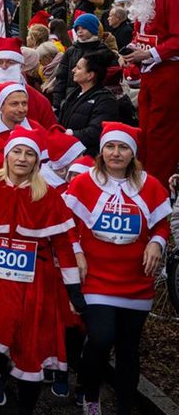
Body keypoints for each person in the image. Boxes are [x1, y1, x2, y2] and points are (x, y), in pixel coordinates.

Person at [0, 127, 80, 412]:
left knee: (30, 341)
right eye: (17, 151)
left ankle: (26, 406)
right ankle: (0, 372)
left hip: (35, 280)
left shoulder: (48, 195)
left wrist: (73, 289)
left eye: (29, 154)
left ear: (37, 162)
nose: (22, 158)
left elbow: (64, 245)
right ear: (6, 155)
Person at [62, 123, 170, 415]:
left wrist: (157, 242)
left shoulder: (150, 185)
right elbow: (66, 225)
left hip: (136, 281)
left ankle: (124, 405)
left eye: (123, 147)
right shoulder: (84, 183)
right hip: (96, 278)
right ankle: (91, 393)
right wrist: (77, 252)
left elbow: (162, 223)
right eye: (110, 146)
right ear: (102, 150)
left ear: (132, 154)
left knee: (128, 348)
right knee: (100, 338)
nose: (116, 153)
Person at [115, 0, 179, 182]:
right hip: (150, 74)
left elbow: (177, 38)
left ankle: (159, 182)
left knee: (161, 131)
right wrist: (131, 53)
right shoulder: (144, 1)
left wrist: (150, 54)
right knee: (145, 127)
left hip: (169, 72)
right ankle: (145, 175)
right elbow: (141, 38)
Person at [57, 49, 125, 155]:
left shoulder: (105, 100)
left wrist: (69, 134)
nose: (73, 70)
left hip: (88, 157)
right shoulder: (74, 94)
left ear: (90, 75)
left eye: (78, 68)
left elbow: (96, 132)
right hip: (69, 152)